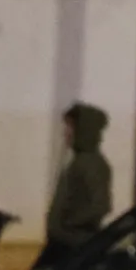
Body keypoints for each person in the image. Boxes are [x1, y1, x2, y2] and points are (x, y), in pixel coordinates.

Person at [45, 102, 114, 257]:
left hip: (74, 248)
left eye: (71, 127)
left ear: (84, 130)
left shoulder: (92, 164)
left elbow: (101, 205)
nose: (66, 133)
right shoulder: (79, 162)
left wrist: (68, 225)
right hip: (64, 246)